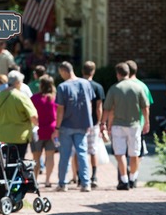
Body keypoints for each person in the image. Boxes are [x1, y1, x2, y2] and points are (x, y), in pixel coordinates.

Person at [101, 62, 150, 190]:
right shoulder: (138, 88)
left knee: (120, 153)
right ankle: (133, 178)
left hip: (118, 125)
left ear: (118, 74)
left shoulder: (114, 88)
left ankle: (124, 180)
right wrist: (147, 122)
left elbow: (107, 109)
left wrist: (104, 124)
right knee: (134, 153)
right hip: (134, 125)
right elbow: (145, 107)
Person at [54, 61, 95, 192]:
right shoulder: (86, 83)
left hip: (66, 124)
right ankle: (85, 183)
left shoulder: (62, 87)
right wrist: (89, 122)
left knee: (64, 155)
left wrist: (57, 127)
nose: (61, 76)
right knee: (82, 154)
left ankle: (62, 183)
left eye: (61, 73)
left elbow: (60, 109)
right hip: (82, 124)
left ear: (65, 71)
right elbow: (90, 104)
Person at [0, 70, 38, 159]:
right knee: (18, 162)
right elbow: (33, 117)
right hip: (20, 137)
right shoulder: (22, 97)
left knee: (3, 164)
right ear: (17, 83)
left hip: (1, 136)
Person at [82, 61, 105, 188]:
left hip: (79, 122)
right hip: (93, 122)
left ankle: (79, 176)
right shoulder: (98, 87)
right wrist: (100, 122)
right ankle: (94, 176)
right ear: (94, 71)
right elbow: (99, 107)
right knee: (93, 150)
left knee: (79, 151)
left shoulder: (78, 85)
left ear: (82, 71)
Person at [31, 74, 57, 187]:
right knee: (50, 155)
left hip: (38, 130)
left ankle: (35, 180)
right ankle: (47, 180)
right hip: (52, 130)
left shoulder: (34, 98)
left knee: (36, 157)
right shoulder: (55, 98)